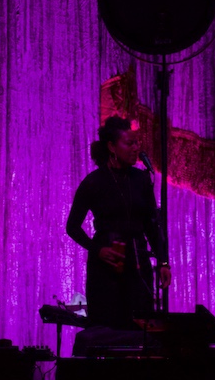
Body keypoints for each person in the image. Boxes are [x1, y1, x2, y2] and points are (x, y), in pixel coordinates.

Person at [66, 116, 171, 331]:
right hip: (107, 263)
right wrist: (97, 249)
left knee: (140, 324)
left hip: (138, 261)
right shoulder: (94, 182)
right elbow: (72, 226)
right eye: (129, 143)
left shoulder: (141, 179)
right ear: (112, 146)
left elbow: (152, 225)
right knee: (107, 326)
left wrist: (163, 262)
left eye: (137, 143)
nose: (136, 148)